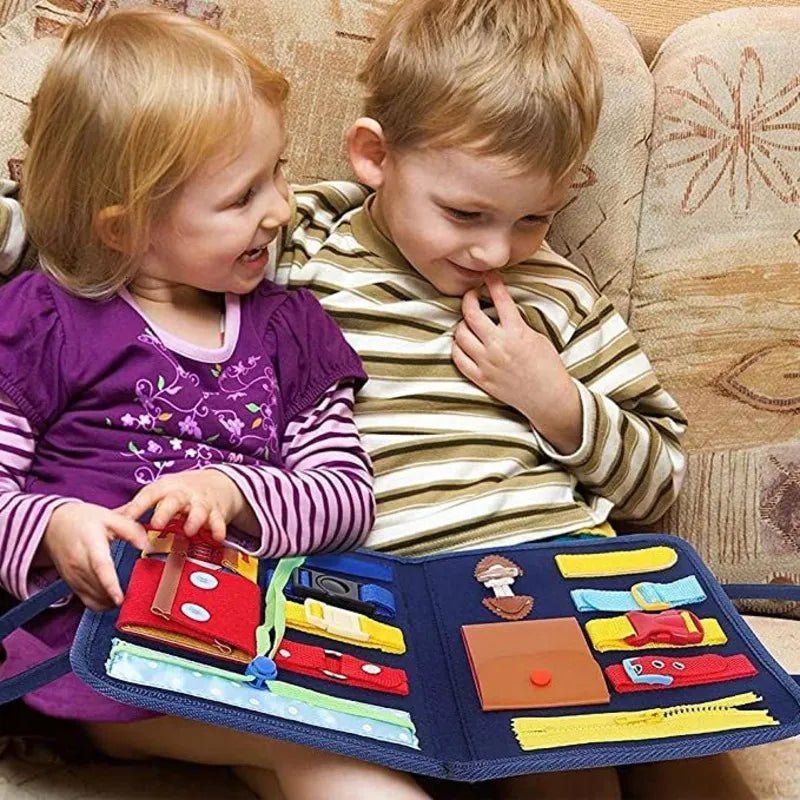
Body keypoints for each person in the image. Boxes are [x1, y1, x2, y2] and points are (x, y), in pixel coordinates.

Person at [0, 9, 446, 800]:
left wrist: (234, 490)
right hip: (108, 652)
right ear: (124, 225)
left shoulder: (289, 329)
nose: (281, 208)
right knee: (326, 755)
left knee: (303, 765)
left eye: (278, 172)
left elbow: (347, 499)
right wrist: (57, 524)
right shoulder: (43, 321)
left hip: (261, 639)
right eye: (243, 195)